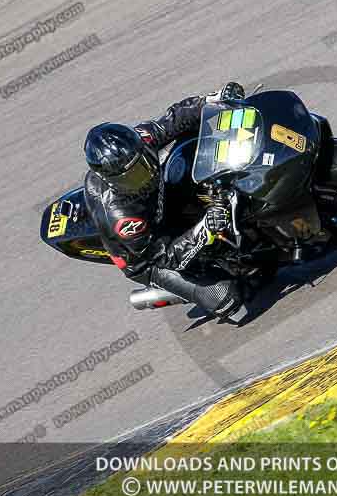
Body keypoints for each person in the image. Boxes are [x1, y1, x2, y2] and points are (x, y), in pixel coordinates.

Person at [83, 82, 250, 323]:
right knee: (228, 297)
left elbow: (176, 118)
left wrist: (213, 100)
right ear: (113, 181)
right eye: (133, 176)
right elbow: (166, 256)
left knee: (191, 147)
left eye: (142, 164)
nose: (146, 175)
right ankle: (171, 289)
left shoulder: (138, 143)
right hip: (153, 255)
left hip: (163, 202)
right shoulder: (122, 217)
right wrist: (206, 227)